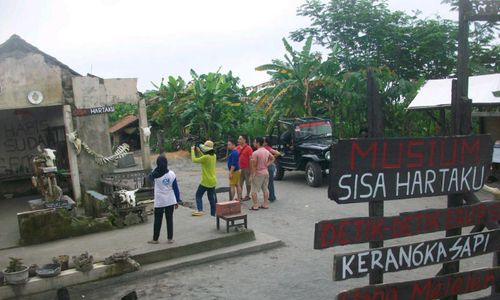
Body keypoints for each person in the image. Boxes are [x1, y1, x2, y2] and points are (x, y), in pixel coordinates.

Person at [148, 155, 180, 244]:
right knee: (169, 220)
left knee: (157, 220)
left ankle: (155, 239)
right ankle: (170, 238)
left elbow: (149, 177)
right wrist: (177, 200)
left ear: (157, 163)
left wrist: (156, 169)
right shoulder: (172, 174)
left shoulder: (154, 174)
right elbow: (176, 189)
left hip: (159, 201)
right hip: (170, 200)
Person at [191, 140, 217, 216]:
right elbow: (204, 158)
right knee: (211, 199)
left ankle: (200, 210)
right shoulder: (214, 156)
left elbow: (194, 160)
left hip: (205, 181)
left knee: (198, 195)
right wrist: (199, 152)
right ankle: (213, 214)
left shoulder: (205, 158)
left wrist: (192, 150)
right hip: (213, 181)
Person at [249, 137, 275, 210]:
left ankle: (255, 205)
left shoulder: (255, 153)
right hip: (265, 172)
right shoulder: (266, 151)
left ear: (258, 143)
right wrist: (267, 164)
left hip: (258, 173)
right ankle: (265, 204)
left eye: (254, 142)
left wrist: (251, 175)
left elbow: (253, 166)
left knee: (253, 190)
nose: (253, 143)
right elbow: (273, 158)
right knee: (265, 189)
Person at [264, 137, 281, 202]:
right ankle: (271, 196)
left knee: (270, 183)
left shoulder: (267, 148)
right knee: (269, 183)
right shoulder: (266, 148)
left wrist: (272, 157)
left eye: (264, 141)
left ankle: (272, 197)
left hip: (269, 167)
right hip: (269, 167)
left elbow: (278, 153)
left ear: (266, 143)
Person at [236, 135, 253, 201]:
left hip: (247, 168)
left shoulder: (249, 148)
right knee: (239, 183)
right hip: (239, 168)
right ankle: (239, 196)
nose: (238, 140)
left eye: (240, 139)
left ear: (244, 140)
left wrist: (251, 170)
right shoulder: (237, 148)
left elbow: (251, 159)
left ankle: (247, 195)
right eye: (238, 139)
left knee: (248, 183)